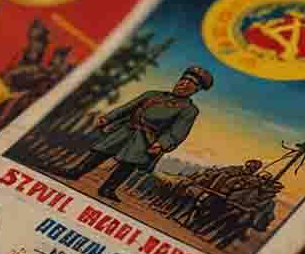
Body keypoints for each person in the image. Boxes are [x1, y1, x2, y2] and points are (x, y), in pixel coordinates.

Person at [61, 65, 213, 202]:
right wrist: (107, 118)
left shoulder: (189, 110)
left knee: (129, 164)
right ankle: (75, 172)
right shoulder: (153, 94)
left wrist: (162, 144)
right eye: (183, 80)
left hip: (146, 139)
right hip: (127, 129)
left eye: (191, 84)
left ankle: (108, 189)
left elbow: (178, 131)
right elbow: (127, 107)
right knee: (101, 150)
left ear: (196, 90)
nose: (184, 85)